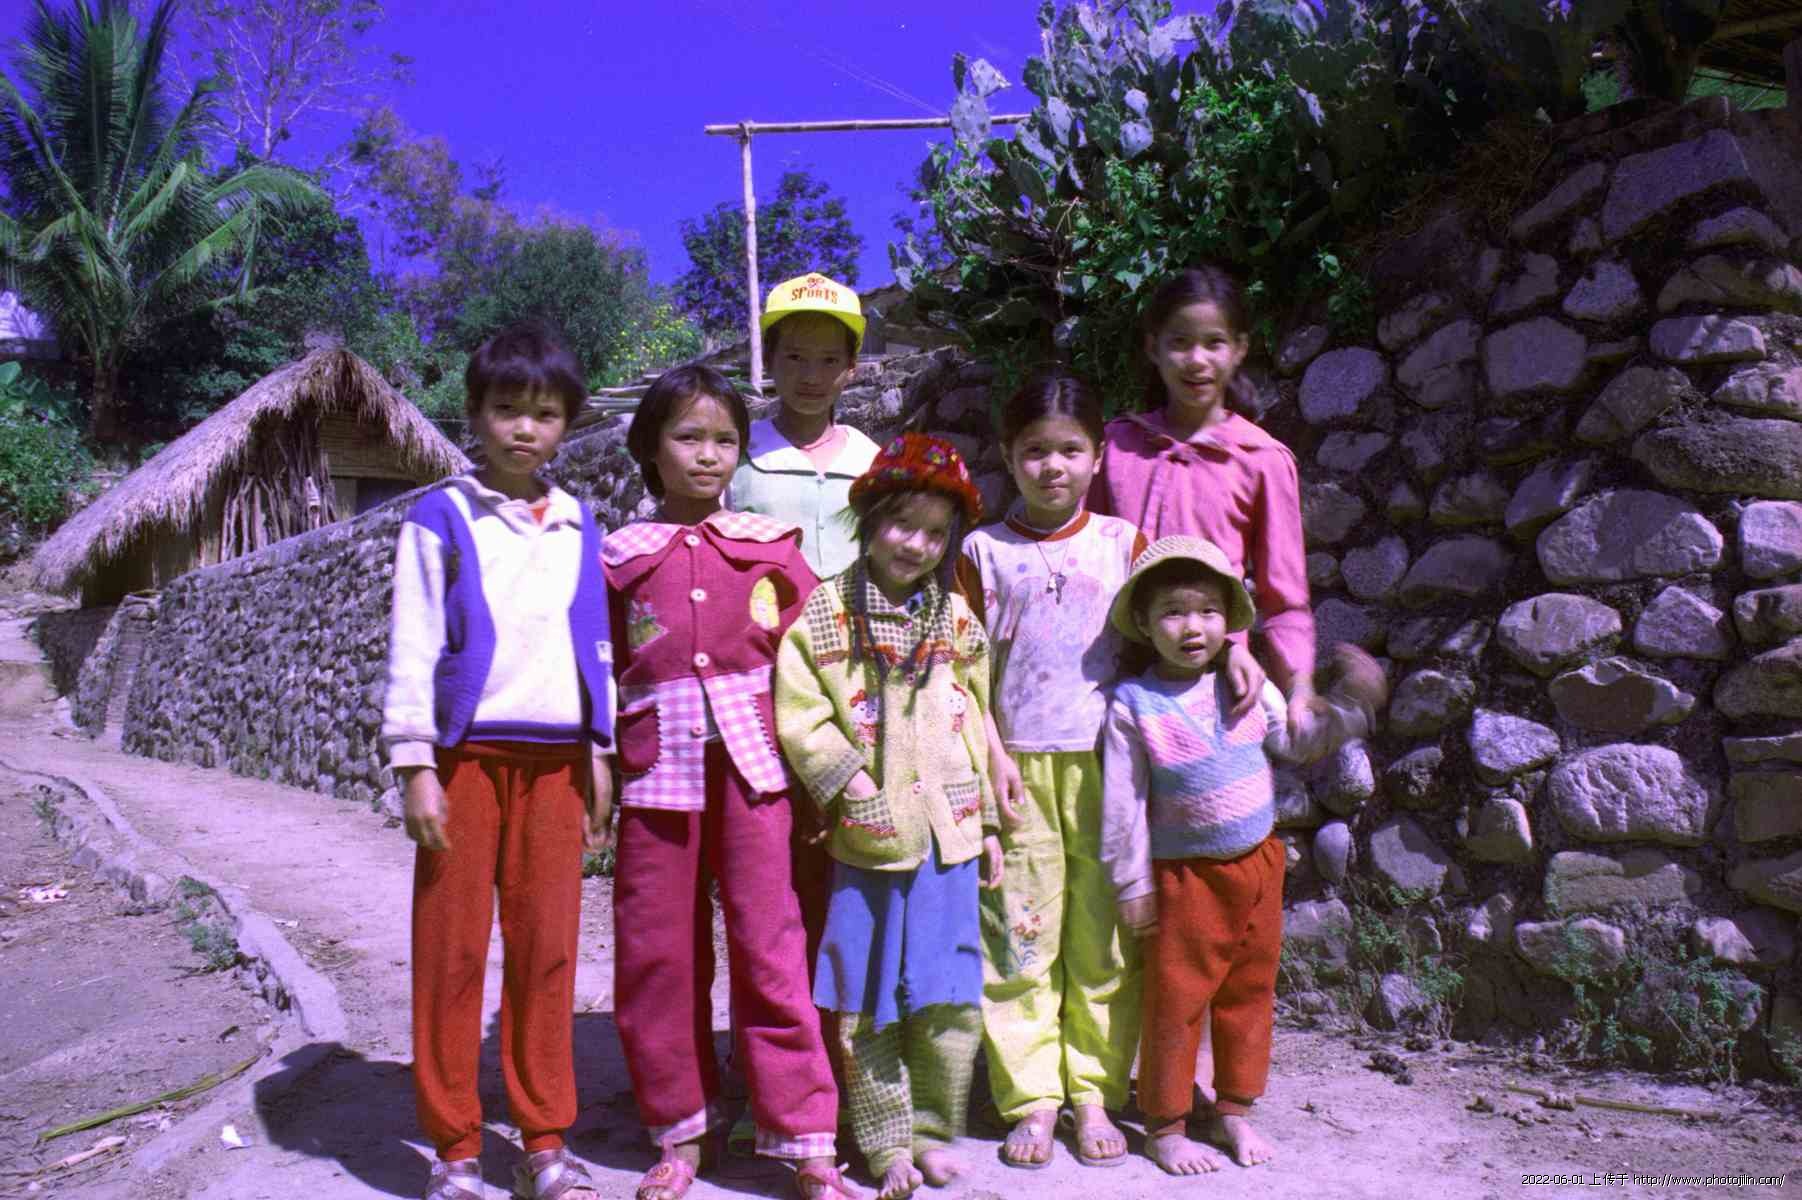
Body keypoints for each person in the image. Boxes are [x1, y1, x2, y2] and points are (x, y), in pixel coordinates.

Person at [604, 365, 851, 1200]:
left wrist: (829, 768)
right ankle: (680, 1130)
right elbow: (597, 666)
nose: (707, 455)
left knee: (770, 941)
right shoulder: (619, 558)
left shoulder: (771, 548)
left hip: (757, 775)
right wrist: (599, 762)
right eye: (687, 437)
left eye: (724, 440)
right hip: (655, 776)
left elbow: (819, 654)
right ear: (650, 448)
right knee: (658, 952)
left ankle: (804, 1135)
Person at [381, 321, 613, 1200]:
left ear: (567, 425)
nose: (525, 428)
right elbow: (413, 643)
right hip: (466, 761)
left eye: (545, 414)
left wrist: (600, 749)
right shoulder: (440, 515)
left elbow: (594, 643)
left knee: (547, 950)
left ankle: (545, 1139)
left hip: (556, 765)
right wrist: (416, 764)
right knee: (451, 951)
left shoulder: (579, 522)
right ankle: (454, 1148)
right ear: (475, 414)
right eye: (507, 409)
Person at [1099, 536, 1386, 1177]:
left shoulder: (1246, 687)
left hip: (1257, 866)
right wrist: (1130, 883)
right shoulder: (1134, 706)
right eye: (1173, 612)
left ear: (1228, 622)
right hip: (1184, 880)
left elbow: (1299, 742)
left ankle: (1233, 1108)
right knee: (1176, 1001)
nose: (1192, 626)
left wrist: (1351, 706)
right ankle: (1166, 1125)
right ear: (1143, 622)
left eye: (1208, 611)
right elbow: (1122, 805)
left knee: (1249, 991)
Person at [774, 434, 1003, 1200]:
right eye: (902, 524)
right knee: (868, 1001)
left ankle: (935, 1132)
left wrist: (989, 825)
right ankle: (885, 1143)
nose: (916, 545)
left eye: (935, 533)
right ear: (869, 520)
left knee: (945, 995)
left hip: (949, 836)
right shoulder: (827, 614)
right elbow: (802, 714)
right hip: (870, 838)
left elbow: (976, 719)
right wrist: (851, 782)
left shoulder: (957, 620)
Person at [955, 368, 1145, 1170]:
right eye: (1035, 451)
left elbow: (1155, 655)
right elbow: (962, 673)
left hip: (1110, 770)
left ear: (1098, 455)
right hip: (1016, 772)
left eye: (1070, 450)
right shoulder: (983, 551)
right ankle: (1030, 1097)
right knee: (1018, 938)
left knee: (1103, 940)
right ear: (1008, 456)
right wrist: (991, 757)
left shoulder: (1123, 545)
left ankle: (1095, 1090)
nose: (1052, 467)